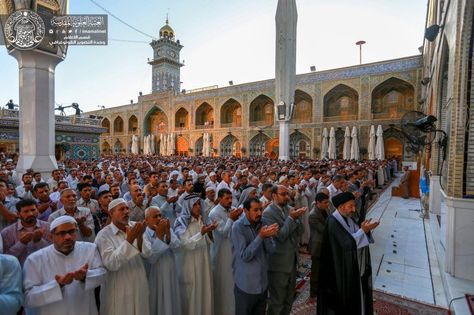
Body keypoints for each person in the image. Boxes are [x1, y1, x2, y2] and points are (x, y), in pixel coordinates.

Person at [23, 216, 106, 315]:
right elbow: (28, 299)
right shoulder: (35, 259)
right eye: (62, 233)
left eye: (71, 232)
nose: (68, 237)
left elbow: (103, 274)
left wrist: (85, 276)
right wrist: (57, 285)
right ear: (50, 237)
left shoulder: (90, 249)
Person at [317, 192, 379, 315]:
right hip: (336, 269)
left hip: (346, 265)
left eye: (354, 206)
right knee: (339, 300)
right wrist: (363, 231)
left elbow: (354, 236)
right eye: (350, 206)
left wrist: (363, 229)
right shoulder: (333, 222)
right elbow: (347, 244)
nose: (354, 209)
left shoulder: (348, 219)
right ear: (341, 207)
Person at [94, 198, 150, 315]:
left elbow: (148, 253)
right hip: (118, 289)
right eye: (121, 209)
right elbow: (111, 263)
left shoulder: (135, 226)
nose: (126, 212)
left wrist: (139, 238)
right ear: (111, 213)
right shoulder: (103, 235)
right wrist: (129, 241)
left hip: (139, 283)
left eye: (127, 208)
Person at [262, 185, 306, 315]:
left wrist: (297, 217)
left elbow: (301, 231)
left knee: (288, 299)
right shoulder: (268, 213)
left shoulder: (289, 209)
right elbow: (280, 236)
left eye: (287, 194)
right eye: (283, 194)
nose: (287, 197)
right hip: (278, 264)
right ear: (274, 195)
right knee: (277, 301)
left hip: (291, 261)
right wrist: (292, 218)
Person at [231, 198, 278, 315]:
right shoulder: (238, 227)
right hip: (246, 286)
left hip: (262, 284)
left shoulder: (263, 222)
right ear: (246, 211)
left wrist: (268, 236)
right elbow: (245, 256)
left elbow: (271, 250)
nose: (259, 213)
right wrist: (261, 236)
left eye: (261, 209)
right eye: (255, 210)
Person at [173, 193, 217, 315]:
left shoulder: (202, 220)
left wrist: (209, 232)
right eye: (195, 205)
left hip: (203, 262)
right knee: (191, 296)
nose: (198, 207)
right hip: (189, 265)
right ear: (188, 207)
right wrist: (201, 233)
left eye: (199, 204)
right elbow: (185, 244)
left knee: (205, 291)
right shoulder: (181, 222)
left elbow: (208, 242)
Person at [208, 188, 243, 315]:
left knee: (234, 282)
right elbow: (223, 233)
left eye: (231, 198)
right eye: (227, 198)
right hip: (222, 253)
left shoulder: (233, 209)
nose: (230, 201)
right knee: (224, 283)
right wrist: (231, 219)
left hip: (234, 249)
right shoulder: (214, 213)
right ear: (219, 199)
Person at [142, 206, 181, 315]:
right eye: (155, 216)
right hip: (155, 276)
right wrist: (159, 236)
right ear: (146, 220)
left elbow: (178, 248)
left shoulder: (167, 229)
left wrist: (168, 233)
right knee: (157, 303)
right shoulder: (144, 236)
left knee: (172, 301)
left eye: (160, 215)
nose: (159, 218)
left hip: (171, 273)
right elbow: (151, 258)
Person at [1, 199, 51, 265]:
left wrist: (39, 241)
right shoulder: (7, 232)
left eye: (33, 210)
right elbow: (6, 259)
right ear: (18, 214)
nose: (30, 214)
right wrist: (21, 243)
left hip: (44, 268)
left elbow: (53, 251)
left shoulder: (48, 227)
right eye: (26, 211)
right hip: (20, 271)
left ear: (37, 211)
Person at [308, 193, 330, 298]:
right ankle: (313, 291)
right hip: (317, 245)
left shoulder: (324, 209)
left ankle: (321, 287)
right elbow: (323, 229)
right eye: (325, 203)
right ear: (318, 203)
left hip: (324, 243)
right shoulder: (313, 215)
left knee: (323, 267)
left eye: (327, 202)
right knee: (315, 270)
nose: (327, 204)